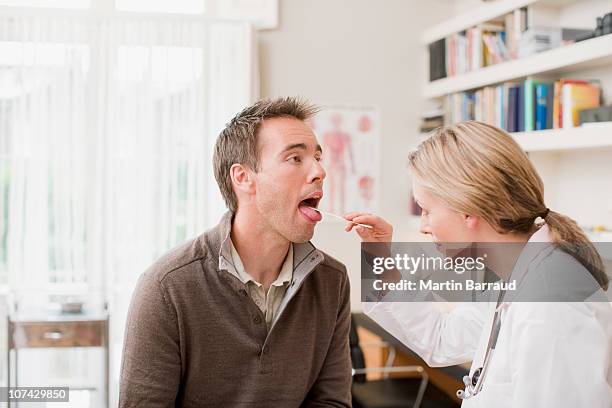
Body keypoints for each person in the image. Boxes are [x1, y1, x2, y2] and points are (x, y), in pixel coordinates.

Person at [345, 121, 612, 407]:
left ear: (467, 210)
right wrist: (379, 255)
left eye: (426, 210)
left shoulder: (548, 306)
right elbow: (442, 339)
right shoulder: (516, 276)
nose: (423, 226)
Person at [119, 97, 352, 407]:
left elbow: (332, 402)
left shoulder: (332, 281)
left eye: (318, 158)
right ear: (243, 178)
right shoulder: (166, 288)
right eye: (296, 158)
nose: (319, 171)